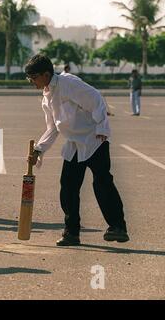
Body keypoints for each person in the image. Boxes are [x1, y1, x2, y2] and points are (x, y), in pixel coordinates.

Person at [25, 54, 129, 246]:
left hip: (94, 139)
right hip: (74, 144)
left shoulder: (67, 82)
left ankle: (118, 227)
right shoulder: (46, 96)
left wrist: (102, 128)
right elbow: (53, 128)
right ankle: (72, 232)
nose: (31, 82)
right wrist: (39, 150)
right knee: (68, 188)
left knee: (102, 183)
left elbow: (96, 98)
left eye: (33, 77)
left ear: (46, 74)